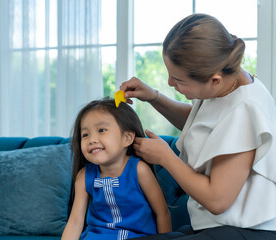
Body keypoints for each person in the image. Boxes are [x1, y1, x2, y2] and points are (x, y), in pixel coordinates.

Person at [120, 13, 276, 240]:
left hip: (247, 231)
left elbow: (217, 200)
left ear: (214, 80)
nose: (170, 83)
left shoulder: (246, 109)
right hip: (218, 227)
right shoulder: (228, 83)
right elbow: (206, 125)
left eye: (179, 80)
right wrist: (154, 97)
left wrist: (166, 157)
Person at [61, 98, 171, 240]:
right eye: (85, 134)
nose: (92, 139)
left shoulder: (139, 170)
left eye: (101, 130)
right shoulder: (84, 175)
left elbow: (162, 213)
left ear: (127, 138)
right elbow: (75, 222)